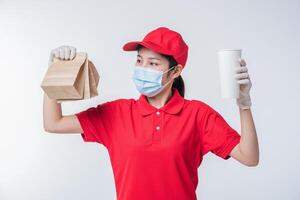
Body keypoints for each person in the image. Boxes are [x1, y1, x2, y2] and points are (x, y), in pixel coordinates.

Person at [43, 26, 259, 200]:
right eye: (139, 61)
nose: (142, 68)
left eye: (153, 63)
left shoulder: (198, 115)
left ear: (176, 71)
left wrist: (244, 104)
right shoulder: (116, 113)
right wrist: (56, 72)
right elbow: (54, 123)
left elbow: (249, 157)